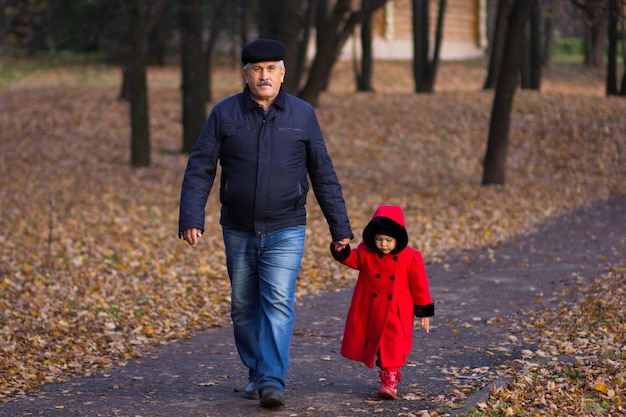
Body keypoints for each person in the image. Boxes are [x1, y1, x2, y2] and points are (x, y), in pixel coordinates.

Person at [178, 38, 353, 408]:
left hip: (287, 226)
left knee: (278, 301)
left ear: (283, 72)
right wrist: (192, 216)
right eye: (257, 69)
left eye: (271, 68)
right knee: (243, 306)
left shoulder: (303, 115)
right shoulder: (224, 114)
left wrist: (340, 229)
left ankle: (272, 380)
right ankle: (257, 370)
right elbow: (201, 166)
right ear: (245, 74)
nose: (264, 75)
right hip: (238, 227)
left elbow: (323, 173)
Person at [330, 205, 434, 400]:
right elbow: (351, 259)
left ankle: (390, 380)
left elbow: (420, 285)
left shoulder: (411, 257)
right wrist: (340, 249)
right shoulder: (365, 252)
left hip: (396, 311)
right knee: (374, 344)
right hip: (369, 308)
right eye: (379, 239)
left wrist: (424, 311)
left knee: (392, 345)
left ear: (398, 239)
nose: (383, 244)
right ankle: (387, 374)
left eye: (388, 240)